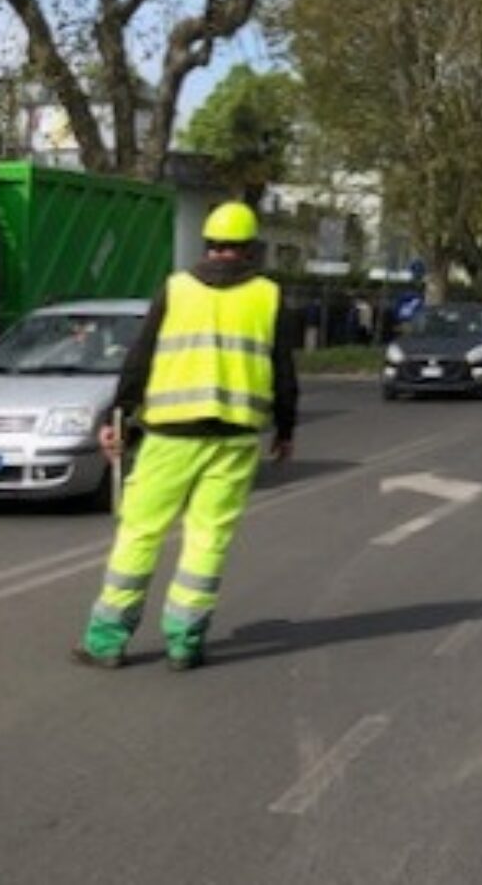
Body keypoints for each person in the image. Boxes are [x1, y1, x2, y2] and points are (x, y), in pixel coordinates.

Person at [72, 201, 298, 671]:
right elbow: (283, 371)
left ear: (208, 245)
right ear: (251, 249)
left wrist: (119, 417)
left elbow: (140, 358)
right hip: (235, 437)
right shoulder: (268, 296)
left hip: (170, 437)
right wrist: (286, 429)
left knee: (140, 533)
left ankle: (107, 641)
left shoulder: (176, 290)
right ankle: (185, 642)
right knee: (207, 539)